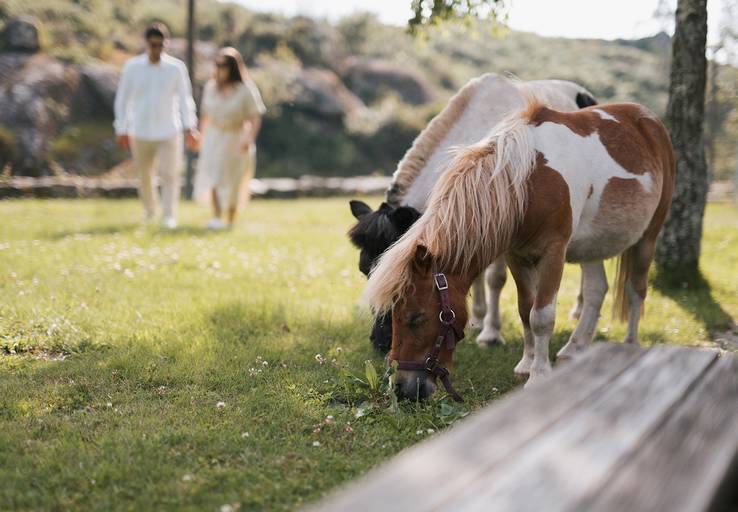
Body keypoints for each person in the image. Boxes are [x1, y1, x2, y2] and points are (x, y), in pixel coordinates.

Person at [114, 22, 199, 229]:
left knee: (170, 174)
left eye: (160, 45)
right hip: (140, 131)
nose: (156, 49)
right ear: (145, 44)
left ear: (165, 44)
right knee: (144, 176)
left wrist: (190, 127)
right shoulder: (132, 67)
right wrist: (122, 129)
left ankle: (169, 215)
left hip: (169, 130)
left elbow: (185, 99)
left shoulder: (176, 68)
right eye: (152, 45)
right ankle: (150, 211)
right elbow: (123, 99)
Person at [194, 47, 266, 230]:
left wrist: (248, 139)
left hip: (236, 137)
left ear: (233, 67)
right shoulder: (211, 87)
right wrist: (200, 136)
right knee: (214, 177)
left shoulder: (245, 89)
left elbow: (255, 117)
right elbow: (205, 115)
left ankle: (230, 220)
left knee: (234, 180)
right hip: (214, 136)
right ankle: (217, 217)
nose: (219, 68)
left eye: (223, 65)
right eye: (217, 64)